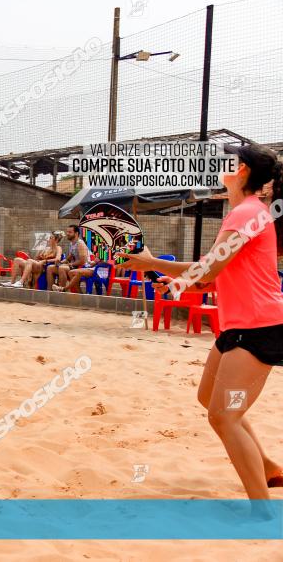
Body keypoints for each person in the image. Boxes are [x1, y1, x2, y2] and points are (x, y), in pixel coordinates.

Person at [120, 143, 283, 501]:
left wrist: (153, 263)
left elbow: (209, 268)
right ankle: (269, 468)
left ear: (240, 169)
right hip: (239, 325)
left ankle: (261, 510)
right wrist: (168, 272)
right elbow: (212, 275)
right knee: (210, 398)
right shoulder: (246, 211)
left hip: (259, 326)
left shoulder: (246, 213)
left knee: (224, 416)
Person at [47, 224, 89, 292]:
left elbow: (82, 261)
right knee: (50, 268)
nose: (67, 234)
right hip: (73, 266)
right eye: (67, 232)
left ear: (76, 233)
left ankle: (62, 291)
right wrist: (61, 262)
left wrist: (69, 264)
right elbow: (68, 258)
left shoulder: (80, 244)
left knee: (62, 268)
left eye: (70, 232)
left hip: (81, 267)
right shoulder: (71, 244)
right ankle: (50, 291)